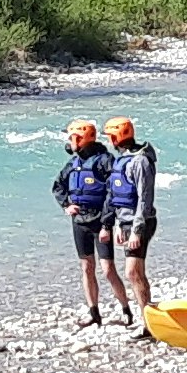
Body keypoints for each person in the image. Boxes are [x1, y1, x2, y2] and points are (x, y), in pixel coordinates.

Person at [51, 119, 118, 323]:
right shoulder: (73, 163)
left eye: (73, 137)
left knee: (107, 269)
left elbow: (114, 190)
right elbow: (58, 186)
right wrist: (66, 205)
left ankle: (126, 309)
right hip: (80, 220)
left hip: (100, 220)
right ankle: (94, 313)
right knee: (87, 267)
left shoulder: (104, 160)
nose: (70, 142)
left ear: (82, 138)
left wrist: (108, 222)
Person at [101, 116, 158, 330]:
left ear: (119, 136)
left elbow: (145, 198)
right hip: (125, 223)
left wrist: (136, 230)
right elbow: (117, 195)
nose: (109, 141)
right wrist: (115, 224)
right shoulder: (122, 159)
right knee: (134, 273)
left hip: (141, 223)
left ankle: (148, 323)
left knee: (133, 273)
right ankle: (148, 320)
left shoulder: (140, 161)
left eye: (111, 137)